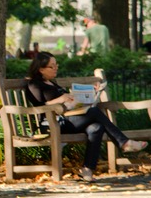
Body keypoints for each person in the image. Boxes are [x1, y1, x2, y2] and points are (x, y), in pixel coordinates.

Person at [26, 52, 148, 182]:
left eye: (56, 65)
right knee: (94, 112)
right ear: (41, 69)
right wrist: (60, 99)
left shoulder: (52, 83)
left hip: (69, 119)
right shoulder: (34, 84)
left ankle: (87, 169)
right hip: (52, 124)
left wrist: (88, 95)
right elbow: (39, 107)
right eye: (52, 66)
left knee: (96, 127)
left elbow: (68, 102)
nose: (56, 68)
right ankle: (124, 143)